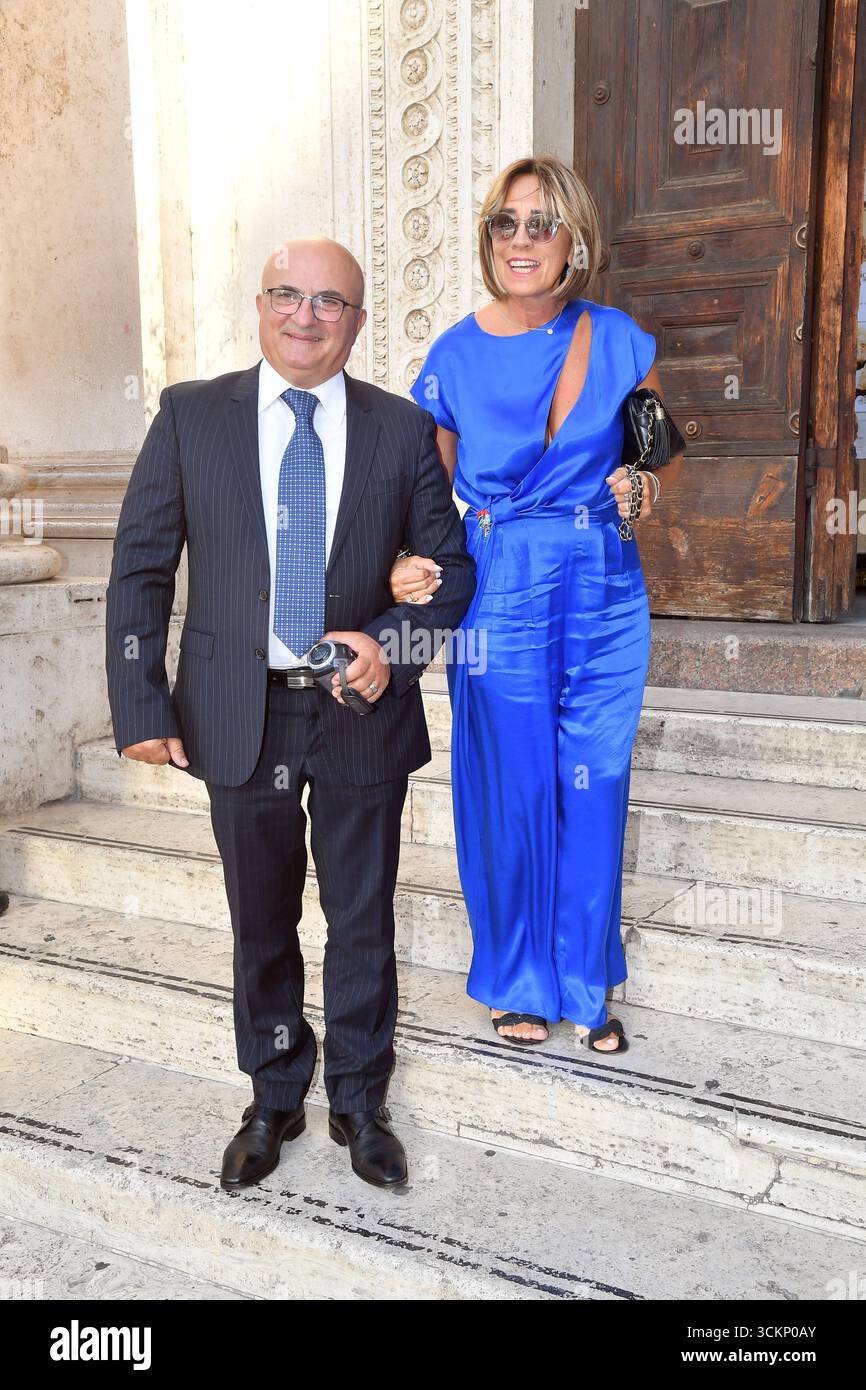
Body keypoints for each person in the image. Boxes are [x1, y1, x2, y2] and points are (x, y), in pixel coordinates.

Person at [105, 236, 476, 1189]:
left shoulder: (399, 431)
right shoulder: (191, 417)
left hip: (360, 714)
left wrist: (388, 646)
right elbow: (142, 567)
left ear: (358, 320)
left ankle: (358, 1098)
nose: (307, 316)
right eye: (289, 295)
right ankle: (274, 1094)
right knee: (259, 918)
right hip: (241, 712)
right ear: (260, 304)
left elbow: (451, 570)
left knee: (361, 918)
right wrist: (140, 697)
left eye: (331, 302)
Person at [394, 155, 685, 1049]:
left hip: (604, 586)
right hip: (502, 583)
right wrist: (406, 561)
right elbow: (420, 488)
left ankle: (587, 977)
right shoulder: (454, 354)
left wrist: (642, 490)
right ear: (489, 241)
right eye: (505, 224)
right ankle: (517, 975)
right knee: (514, 786)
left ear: (575, 241)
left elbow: (651, 449)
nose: (522, 240)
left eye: (542, 222)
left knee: (594, 784)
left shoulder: (622, 338)